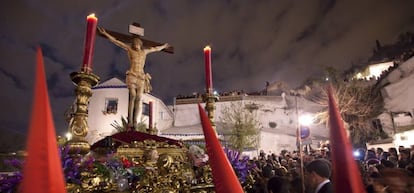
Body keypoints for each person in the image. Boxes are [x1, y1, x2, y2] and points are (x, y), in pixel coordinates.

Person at [98, 27, 170, 129]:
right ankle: (130, 121)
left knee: (139, 98)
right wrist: (106, 34)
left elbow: (155, 49)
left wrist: (163, 46)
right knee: (132, 95)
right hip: (132, 75)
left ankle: (135, 122)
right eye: (134, 43)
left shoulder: (144, 52)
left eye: (137, 43)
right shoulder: (129, 49)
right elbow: (117, 42)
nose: (136, 45)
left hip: (141, 77)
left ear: (140, 45)